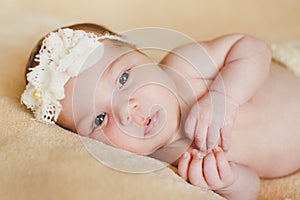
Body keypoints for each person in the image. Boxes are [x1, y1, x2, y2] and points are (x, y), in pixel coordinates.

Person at [21, 23, 300, 200]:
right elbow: (253, 189)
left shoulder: (187, 67)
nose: (126, 110)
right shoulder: (175, 160)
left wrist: (225, 97)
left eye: (122, 79)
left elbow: (251, 48)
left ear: (143, 56)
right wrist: (227, 182)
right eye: (99, 119)